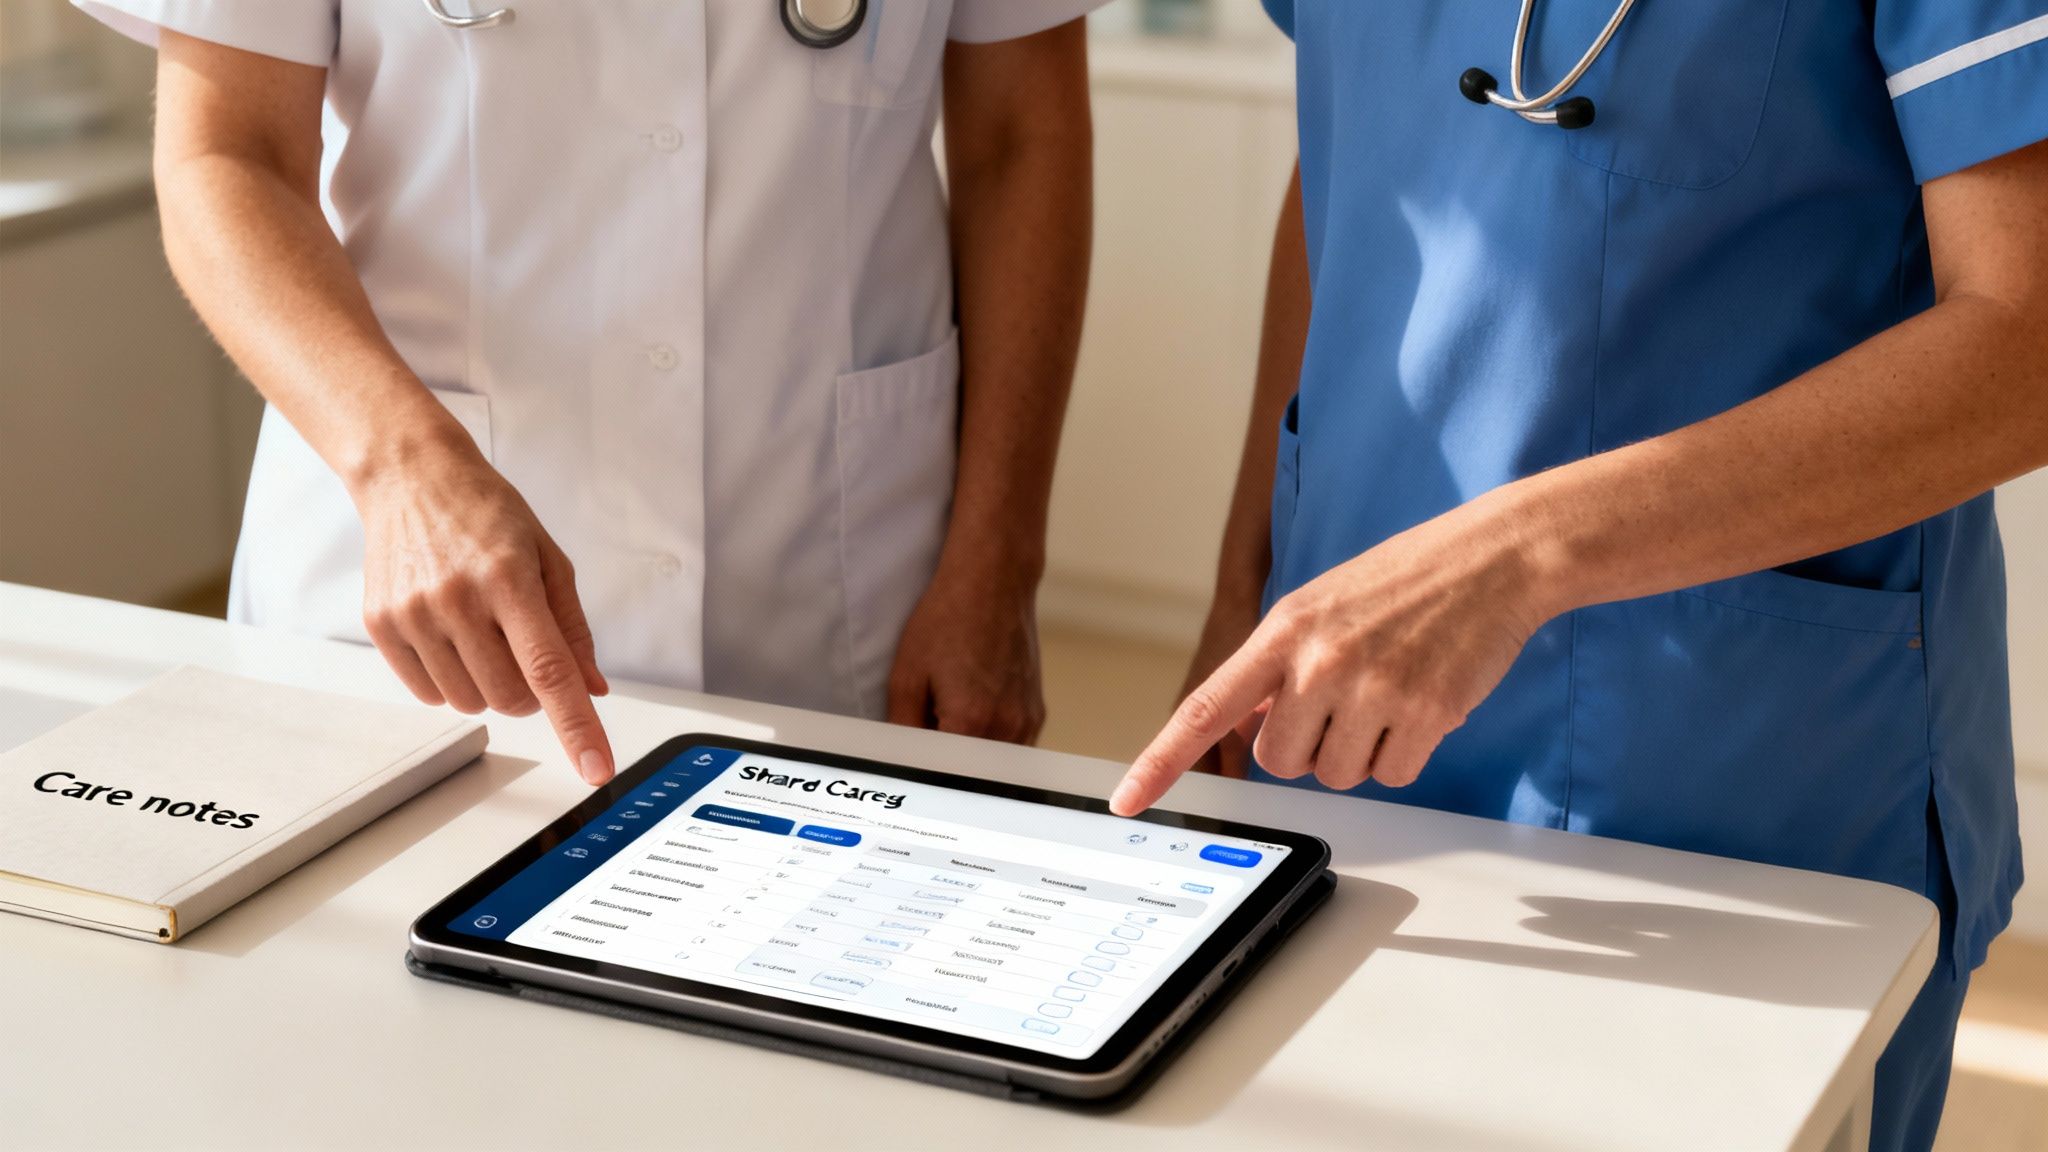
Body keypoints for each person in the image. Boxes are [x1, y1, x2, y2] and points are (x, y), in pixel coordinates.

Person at [1108, 3, 2048, 1149]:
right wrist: (1241, 592)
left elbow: (2024, 339)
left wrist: (1520, 556)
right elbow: (1360, 166)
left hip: (1736, 771)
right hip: (1336, 725)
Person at [77, 0, 1102, 785]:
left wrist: (999, 565)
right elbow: (226, 154)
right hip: (408, 566)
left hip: (834, 584)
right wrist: (404, 469)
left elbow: (1021, 138)